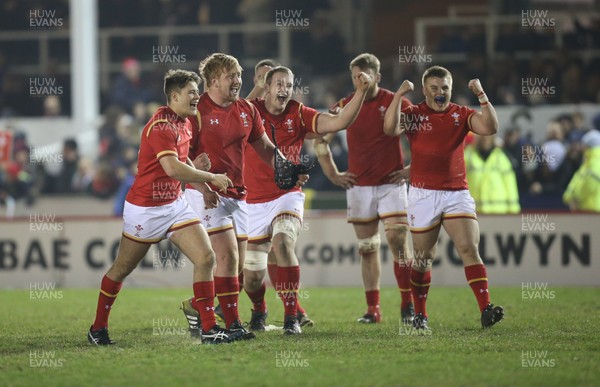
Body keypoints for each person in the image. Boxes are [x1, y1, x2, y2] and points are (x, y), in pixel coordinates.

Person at [87, 69, 234, 345]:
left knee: (206, 258)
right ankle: (97, 328)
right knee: (121, 269)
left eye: (197, 92)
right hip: (145, 209)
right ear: (174, 96)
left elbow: (184, 161)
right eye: (191, 92)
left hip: (175, 206)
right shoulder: (160, 127)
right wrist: (211, 177)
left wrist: (204, 189)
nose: (197, 97)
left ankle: (209, 327)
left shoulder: (185, 123)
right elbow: (172, 167)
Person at [238, 65, 372, 334]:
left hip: (286, 196)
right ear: (266, 87)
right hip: (251, 202)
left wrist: (360, 92)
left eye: (289, 85)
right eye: (279, 84)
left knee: (283, 244)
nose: (285, 90)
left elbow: (338, 122)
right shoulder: (249, 112)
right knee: (252, 278)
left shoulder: (298, 113)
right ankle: (259, 310)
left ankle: (291, 317)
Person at [181, 53, 303, 340]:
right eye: (230, 76)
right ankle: (233, 325)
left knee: (237, 271)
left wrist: (289, 169)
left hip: (238, 196)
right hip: (206, 194)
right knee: (226, 255)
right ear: (213, 81)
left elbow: (265, 147)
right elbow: (179, 156)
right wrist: (203, 186)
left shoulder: (247, 109)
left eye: (238, 75)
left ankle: (197, 309)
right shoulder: (197, 112)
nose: (237, 81)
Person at [384, 65, 504, 330]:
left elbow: (490, 127)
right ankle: (421, 315)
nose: (441, 92)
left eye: (445, 88)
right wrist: (397, 96)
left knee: (469, 249)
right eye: (435, 88)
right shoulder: (414, 114)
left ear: (451, 89)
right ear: (425, 89)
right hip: (423, 194)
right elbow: (390, 129)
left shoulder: (460, 114)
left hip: (456, 193)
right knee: (424, 257)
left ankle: (485, 309)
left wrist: (481, 94)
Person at [315, 53, 414, 324]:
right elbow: (321, 141)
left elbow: (422, 136)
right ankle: (374, 309)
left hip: (391, 184)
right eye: (355, 77)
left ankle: (408, 304)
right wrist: (333, 174)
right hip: (359, 187)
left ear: (377, 77)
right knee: (368, 247)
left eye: (364, 77)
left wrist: (412, 169)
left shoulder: (395, 102)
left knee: (397, 241)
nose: (359, 81)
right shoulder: (346, 104)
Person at [464, 133, 521, 214]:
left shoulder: (501, 157)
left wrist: (514, 210)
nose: (485, 138)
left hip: (499, 212)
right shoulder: (467, 156)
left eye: (488, 135)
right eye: (482, 135)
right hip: (473, 212)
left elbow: (510, 184)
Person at [563, 129, 600, 212]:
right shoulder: (587, 162)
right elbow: (577, 181)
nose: (581, 149)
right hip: (586, 209)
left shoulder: (597, 162)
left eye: (583, 145)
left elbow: (591, 184)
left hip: (594, 210)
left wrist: (576, 199)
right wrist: (569, 197)